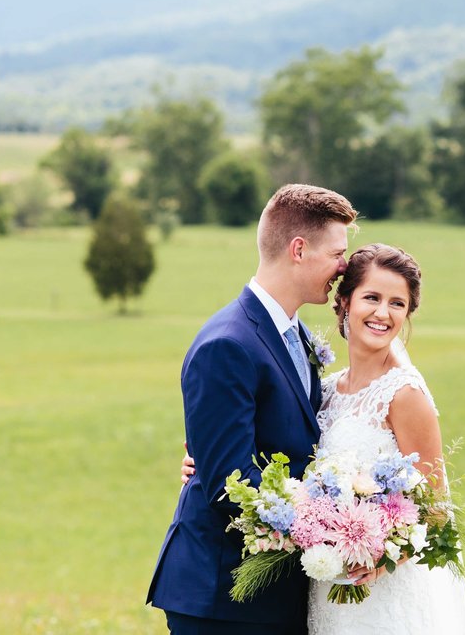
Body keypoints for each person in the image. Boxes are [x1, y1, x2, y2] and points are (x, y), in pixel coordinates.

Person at [182, 243, 465, 634]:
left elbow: (437, 509)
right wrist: (202, 461)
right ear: (344, 302)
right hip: (325, 592)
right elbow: (280, 449)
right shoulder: (326, 391)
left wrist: (384, 557)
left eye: (397, 304)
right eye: (372, 297)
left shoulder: (405, 395)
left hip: (383, 594)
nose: (383, 313)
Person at [147, 183, 357, 635]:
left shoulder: (293, 334)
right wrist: (342, 525)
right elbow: (229, 484)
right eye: (338, 253)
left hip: (274, 593)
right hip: (224, 600)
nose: (345, 267)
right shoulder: (228, 344)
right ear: (298, 249)